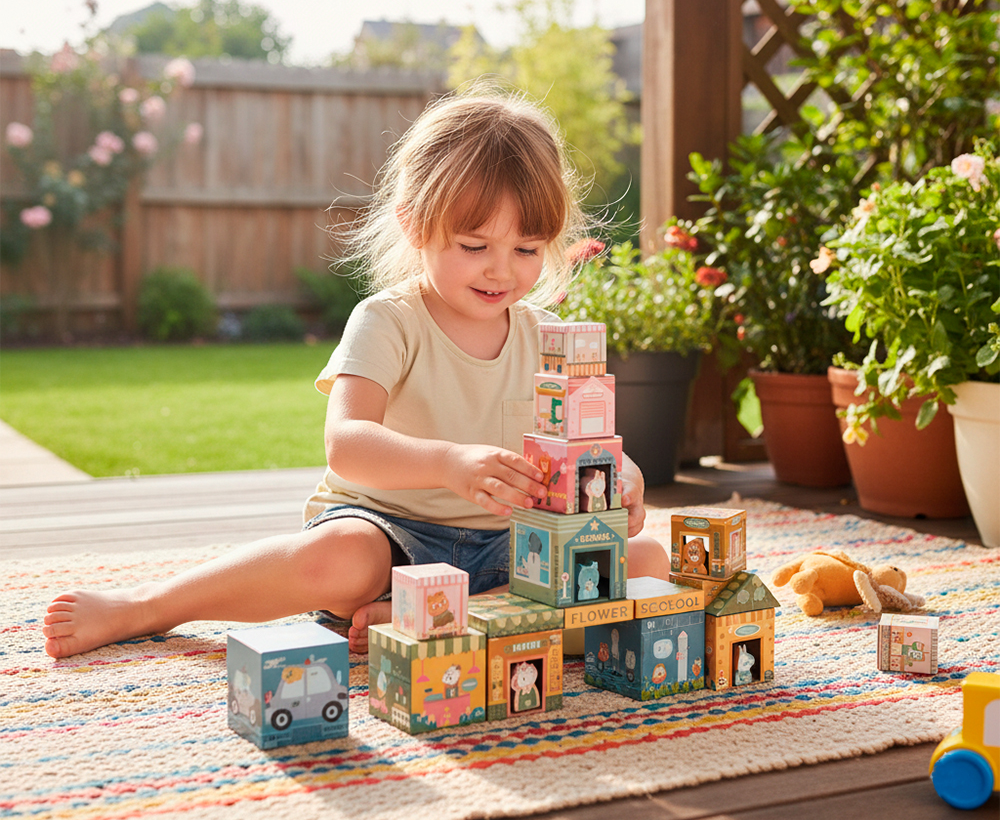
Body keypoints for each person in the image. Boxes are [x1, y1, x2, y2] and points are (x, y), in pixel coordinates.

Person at [42, 86, 671, 660]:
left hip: (515, 553)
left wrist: (620, 477)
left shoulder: (546, 337)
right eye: (474, 246)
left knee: (645, 560)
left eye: (527, 250)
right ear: (414, 224)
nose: (501, 271)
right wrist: (448, 463)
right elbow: (346, 444)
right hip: (388, 534)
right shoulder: (390, 320)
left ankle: (441, 617)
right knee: (336, 560)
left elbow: (582, 447)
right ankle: (150, 606)